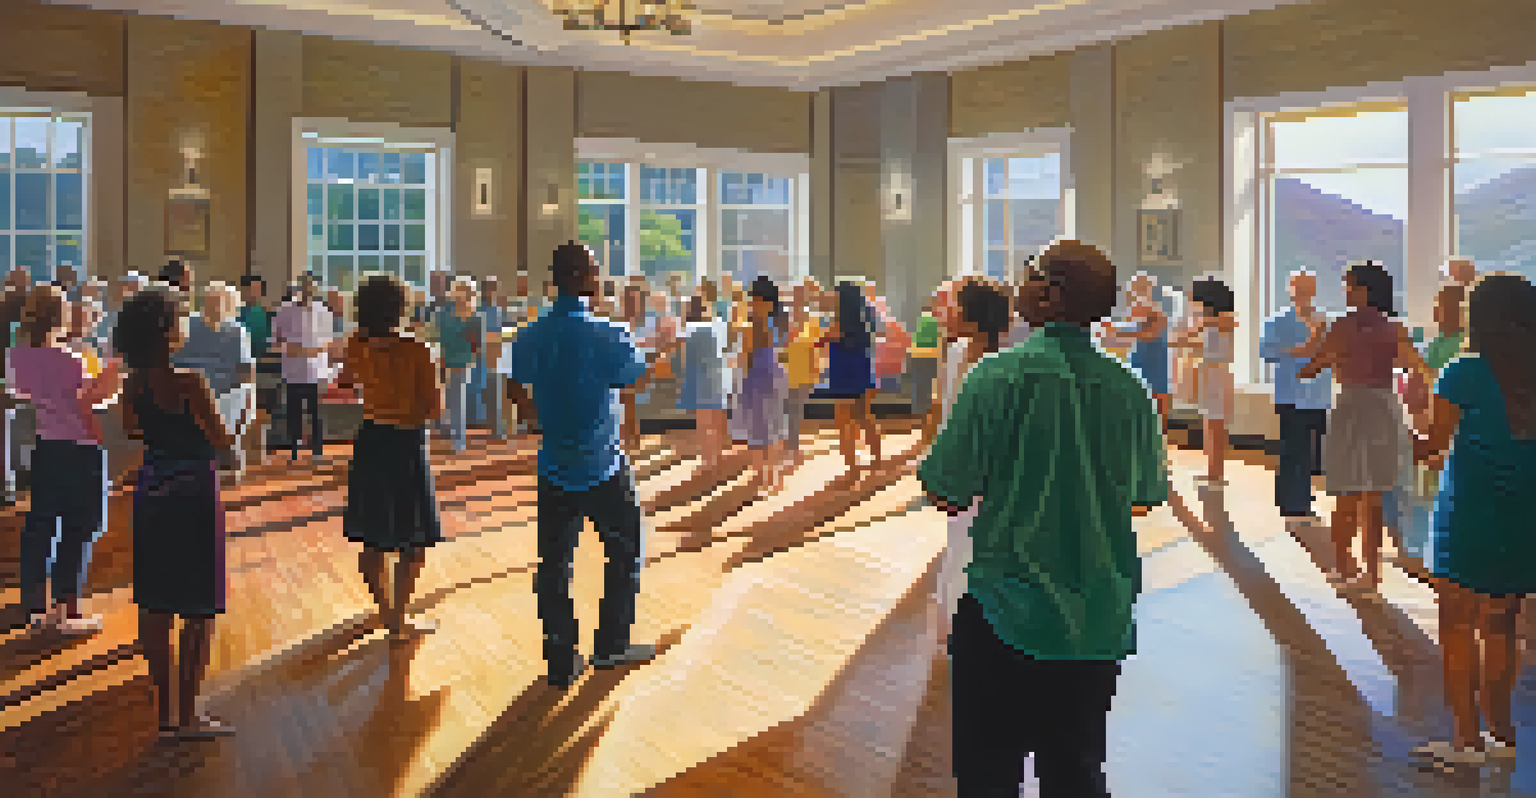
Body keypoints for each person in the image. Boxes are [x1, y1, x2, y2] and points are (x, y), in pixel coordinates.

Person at [921, 240, 1167, 797]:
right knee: (1075, 771)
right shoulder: (1129, 389)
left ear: (1051, 295)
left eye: (1028, 273)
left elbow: (945, 489)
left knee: (989, 774)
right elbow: (1146, 496)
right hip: (1098, 617)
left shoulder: (997, 376)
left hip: (1005, 607)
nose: (1018, 283)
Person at [508, 242, 660, 689]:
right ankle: (611, 645)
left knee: (554, 564)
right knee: (625, 551)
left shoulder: (531, 334)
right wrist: (648, 355)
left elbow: (514, 386)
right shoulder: (608, 333)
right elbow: (636, 379)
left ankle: (561, 658)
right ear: (580, 278)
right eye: (595, 272)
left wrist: (536, 416)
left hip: (554, 464)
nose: (599, 279)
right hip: (604, 465)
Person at [1410, 273, 1536, 766]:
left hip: (1468, 515)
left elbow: (1432, 449)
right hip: (1522, 517)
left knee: (1458, 624)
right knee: (1503, 625)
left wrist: (1414, 421)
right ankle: (1502, 733)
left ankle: (1466, 740)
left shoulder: (1463, 371)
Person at [116, 285, 237, 739]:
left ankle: (165, 713)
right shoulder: (190, 382)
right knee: (197, 605)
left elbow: (133, 429)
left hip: (153, 486)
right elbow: (222, 442)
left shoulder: (133, 384)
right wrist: (231, 435)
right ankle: (189, 715)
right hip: (193, 492)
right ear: (168, 333)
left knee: (156, 602)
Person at [1300, 260, 1429, 593]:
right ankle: (1370, 576)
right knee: (1373, 495)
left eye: (1350, 286)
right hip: (1384, 407)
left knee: (1346, 492)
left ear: (1364, 290)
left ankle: (1345, 567)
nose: (1345, 291)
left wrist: (1322, 346)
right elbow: (1418, 369)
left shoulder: (1341, 327)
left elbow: (1309, 369)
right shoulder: (1394, 329)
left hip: (1352, 407)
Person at [337, 274, 445, 643]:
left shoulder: (355, 342)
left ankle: (384, 611)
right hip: (406, 442)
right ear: (400, 309)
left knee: (373, 536)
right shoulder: (418, 350)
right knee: (412, 541)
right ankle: (399, 619)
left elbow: (345, 381)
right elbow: (434, 409)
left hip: (371, 437)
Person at [11, 284, 122, 635]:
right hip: (81, 449)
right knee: (81, 527)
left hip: (46, 446)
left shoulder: (17, 356)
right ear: (60, 316)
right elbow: (90, 402)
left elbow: (25, 394)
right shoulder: (69, 358)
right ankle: (65, 612)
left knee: (40, 526)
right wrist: (114, 369)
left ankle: (33, 611)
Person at [931, 280, 1011, 644]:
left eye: (954, 305)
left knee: (980, 542)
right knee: (959, 539)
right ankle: (957, 621)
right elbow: (946, 412)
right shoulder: (955, 351)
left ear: (972, 314)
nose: (946, 312)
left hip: (990, 469)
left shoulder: (1003, 362)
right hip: (960, 464)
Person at [1259, 270, 1332, 528]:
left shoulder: (1325, 320)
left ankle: (1303, 496)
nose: (1302, 293)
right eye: (1298, 288)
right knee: (1292, 450)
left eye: (1307, 287)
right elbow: (1266, 352)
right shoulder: (1276, 321)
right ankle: (1292, 503)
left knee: (1312, 451)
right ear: (1290, 290)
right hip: (1291, 394)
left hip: (1319, 394)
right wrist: (1298, 351)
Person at [173, 282, 255, 477]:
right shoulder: (188, 325)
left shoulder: (237, 331)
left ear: (230, 306)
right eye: (210, 301)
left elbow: (246, 369)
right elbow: (171, 357)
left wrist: (249, 396)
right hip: (189, 391)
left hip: (225, 393)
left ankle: (224, 461)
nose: (215, 306)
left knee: (232, 405)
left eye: (220, 302)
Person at [729, 276, 790, 494]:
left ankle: (763, 478)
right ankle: (774, 477)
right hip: (775, 375)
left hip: (756, 378)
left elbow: (745, 356)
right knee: (775, 425)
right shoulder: (777, 322)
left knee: (758, 428)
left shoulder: (751, 324)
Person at [1175, 277, 1237, 487]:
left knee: (1216, 424)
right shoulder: (1207, 320)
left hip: (1217, 376)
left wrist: (1188, 337)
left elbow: (1215, 347)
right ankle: (1212, 470)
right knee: (1209, 423)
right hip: (1209, 375)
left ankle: (1216, 473)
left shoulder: (1224, 319)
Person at [821, 282, 882, 477]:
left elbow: (821, 340)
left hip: (843, 376)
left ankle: (852, 467)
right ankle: (877, 459)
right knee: (865, 417)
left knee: (844, 421)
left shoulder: (838, 324)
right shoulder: (863, 323)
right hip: (862, 374)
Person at [271, 273, 333, 462]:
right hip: (292, 370)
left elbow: (328, 341)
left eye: (311, 286)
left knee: (316, 412)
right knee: (294, 411)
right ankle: (294, 449)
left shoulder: (323, 311)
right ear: (298, 288)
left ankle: (317, 449)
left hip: (315, 370)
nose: (307, 290)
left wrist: (313, 350)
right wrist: (291, 349)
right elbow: (275, 340)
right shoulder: (284, 310)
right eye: (304, 286)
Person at [677, 295, 728, 471]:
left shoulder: (689, 330)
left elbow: (684, 356)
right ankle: (717, 457)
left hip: (700, 379)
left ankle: (708, 461)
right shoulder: (717, 325)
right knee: (716, 420)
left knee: (704, 424)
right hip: (717, 376)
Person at [435, 278, 483, 453]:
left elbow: (476, 345)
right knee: (447, 400)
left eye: (465, 290)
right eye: (459, 289)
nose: (461, 293)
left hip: (462, 362)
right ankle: (452, 435)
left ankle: (458, 440)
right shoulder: (443, 314)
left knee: (457, 400)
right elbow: (438, 337)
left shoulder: (475, 317)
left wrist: (468, 359)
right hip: (443, 359)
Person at [784, 281, 826, 466]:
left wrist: (819, 367)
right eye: (796, 295)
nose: (798, 299)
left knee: (794, 409)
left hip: (805, 370)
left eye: (801, 295)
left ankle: (792, 446)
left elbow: (819, 345)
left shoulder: (813, 319)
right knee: (790, 409)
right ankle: (791, 445)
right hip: (787, 369)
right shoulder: (784, 318)